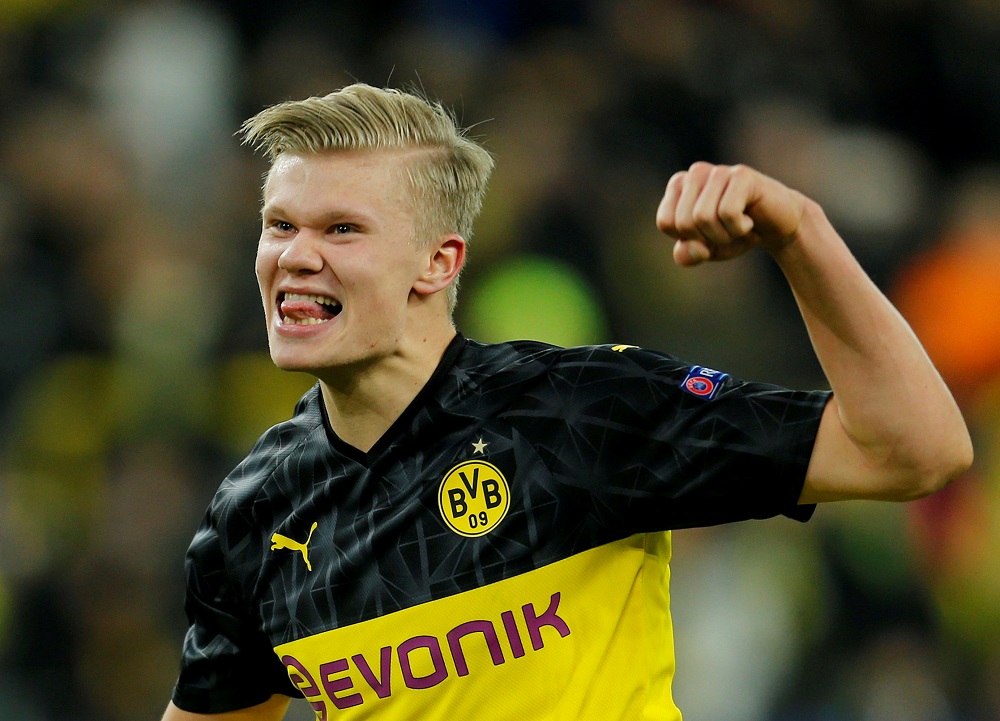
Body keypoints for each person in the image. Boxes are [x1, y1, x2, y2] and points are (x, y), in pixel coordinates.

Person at [161, 83, 973, 721]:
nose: (295, 256)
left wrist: (800, 234)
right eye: (278, 225)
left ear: (438, 263)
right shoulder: (259, 509)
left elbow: (916, 449)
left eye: (341, 230)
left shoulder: (577, 412)